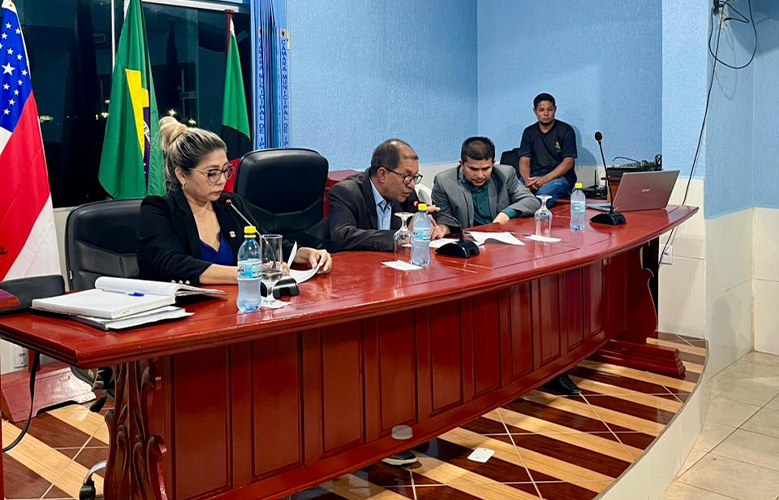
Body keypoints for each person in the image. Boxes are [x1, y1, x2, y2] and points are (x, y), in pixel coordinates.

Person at [139, 117, 332, 285]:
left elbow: (264, 242)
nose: (222, 180)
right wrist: (248, 272)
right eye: (212, 173)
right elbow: (174, 264)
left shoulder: (230, 205)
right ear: (182, 175)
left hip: (234, 305)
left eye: (226, 170)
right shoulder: (158, 210)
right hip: (183, 310)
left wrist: (307, 254)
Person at [327, 139, 450, 253]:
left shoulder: (406, 194)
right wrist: (400, 237)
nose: (412, 185)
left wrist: (441, 228)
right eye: (407, 177)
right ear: (382, 175)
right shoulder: (346, 193)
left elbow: (434, 213)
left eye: (415, 177)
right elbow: (343, 235)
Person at [431, 136, 539, 231]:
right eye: (473, 169)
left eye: (486, 169)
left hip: (500, 237)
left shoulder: (506, 174)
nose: (480, 175)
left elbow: (531, 201)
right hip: (466, 240)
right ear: (462, 164)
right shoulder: (444, 182)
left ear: (493, 163)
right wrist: (443, 229)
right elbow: (443, 218)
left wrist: (506, 213)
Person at [517, 93, 578, 207]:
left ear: (555, 109)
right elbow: (524, 160)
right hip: (533, 176)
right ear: (535, 111)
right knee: (515, 194)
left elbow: (568, 162)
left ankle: (535, 217)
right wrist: (527, 180)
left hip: (560, 177)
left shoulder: (566, 130)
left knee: (542, 196)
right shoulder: (529, 132)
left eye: (550, 109)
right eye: (541, 110)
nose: (546, 114)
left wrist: (544, 180)